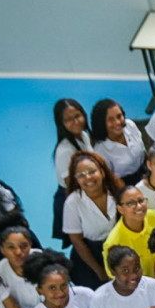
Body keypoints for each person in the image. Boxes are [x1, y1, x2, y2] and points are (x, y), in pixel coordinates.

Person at [62, 151, 120, 288]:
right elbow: (77, 241)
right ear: (76, 179)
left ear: (102, 172)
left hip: (118, 250)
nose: (87, 177)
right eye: (81, 175)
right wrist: (99, 271)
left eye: (92, 171)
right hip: (90, 257)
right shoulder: (73, 203)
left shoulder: (116, 191)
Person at [51, 98, 92, 243]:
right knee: (81, 238)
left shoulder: (83, 135)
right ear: (61, 123)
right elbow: (71, 187)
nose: (75, 122)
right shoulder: (65, 151)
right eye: (68, 119)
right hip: (72, 197)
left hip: (87, 190)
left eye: (77, 116)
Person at [103, 183, 155, 278]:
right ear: (120, 209)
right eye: (131, 203)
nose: (139, 206)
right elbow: (117, 277)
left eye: (141, 200)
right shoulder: (113, 242)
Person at [0, 217, 42, 308]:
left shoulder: (42, 259)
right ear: (2, 249)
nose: (19, 252)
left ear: (30, 245)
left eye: (24, 246)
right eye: (11, 247)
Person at [91, 99, 147, 184]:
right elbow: (112, 180)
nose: (117, 122)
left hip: (144, 171)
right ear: (101, 123)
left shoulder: (130, 125)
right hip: (124, 184)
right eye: (110, 119)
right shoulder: (100, 151)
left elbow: (144, 151)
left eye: (119, 116)